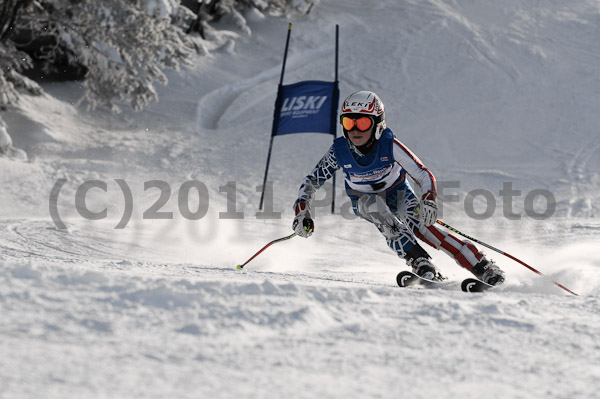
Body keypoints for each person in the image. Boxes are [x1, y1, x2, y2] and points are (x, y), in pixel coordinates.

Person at [292, 91, 505, 285]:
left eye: (363, 123)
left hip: (399, 193)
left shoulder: (389, 145)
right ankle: (420, 262)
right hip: (364, 199)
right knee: (377, 210)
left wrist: (429, 199)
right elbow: (311, 181)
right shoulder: (339, 151)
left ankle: (482, 266)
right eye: (349, 123)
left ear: (378, 124)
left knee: (424, 228)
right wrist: (302, 212)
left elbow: (422, 173)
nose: (355, 130)